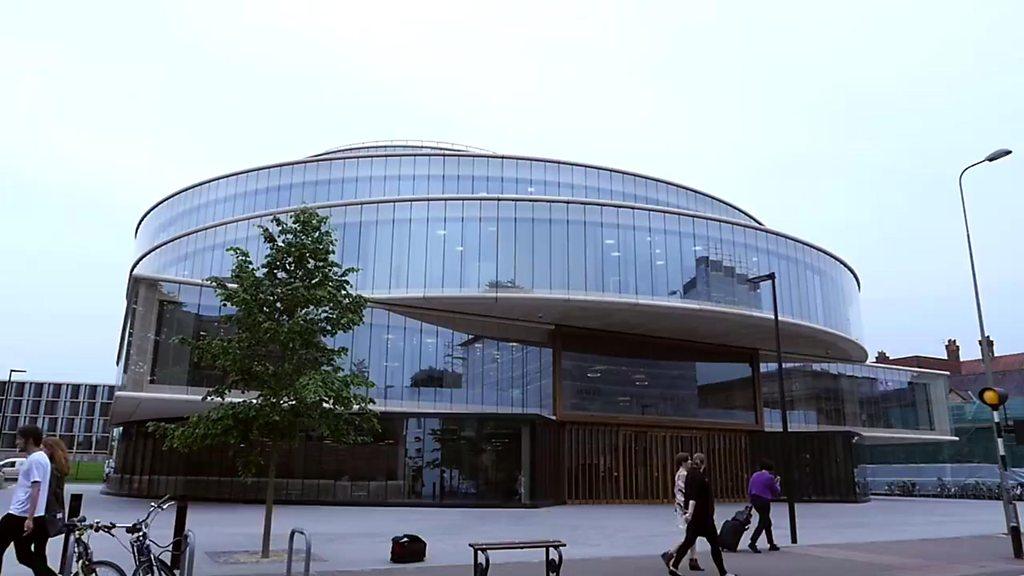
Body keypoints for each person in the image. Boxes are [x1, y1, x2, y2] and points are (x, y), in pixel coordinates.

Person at [0, 425, 57, 576]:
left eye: (19, 439)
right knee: (24, 555)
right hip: (27, 515)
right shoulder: (40, 458)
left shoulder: (36, 460)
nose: (16, 443)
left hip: (20, 515)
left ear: (29, 440)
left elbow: (36, 488)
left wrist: (30, 518)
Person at [667, 453, 735, 576]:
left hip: (695, 517)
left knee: (688, 542)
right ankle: (723, 572)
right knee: (714, 544)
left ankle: (674, 566)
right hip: (703, 516)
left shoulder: (690, 475)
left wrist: (689, 513)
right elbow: (694, 496)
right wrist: (690, 512)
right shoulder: (699, 477)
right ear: (703, 463)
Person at [662, 453, 702, 572]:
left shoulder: (680, 474)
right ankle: (670, 553)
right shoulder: (684, 475)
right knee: (690, 535)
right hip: (685, 507)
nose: (690, 462)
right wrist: (689, 509)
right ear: (683, 462)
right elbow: (686, 492)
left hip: (682, 507)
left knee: (692, 534)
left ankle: (693, 559)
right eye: (688, 460)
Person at [39, 438, 69, 562]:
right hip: (51, 513)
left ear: (50, 449)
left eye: (43, 447)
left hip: (43, 514)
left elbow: (48, 493)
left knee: (29, 552)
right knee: (39, 550)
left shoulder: (50, 468)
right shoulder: (59, 468)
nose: (41, 450)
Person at [746, 460, 782, 553]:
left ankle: (771, 543)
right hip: (764, 500)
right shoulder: (769, 477)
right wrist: (777, 483)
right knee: (763, 521)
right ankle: (753, 542)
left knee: (767, 521)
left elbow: (749, 489)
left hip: (754, 499)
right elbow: (776, 491)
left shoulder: (754, 475)